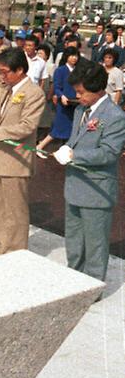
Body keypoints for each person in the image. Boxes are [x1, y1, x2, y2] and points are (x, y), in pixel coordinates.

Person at [54, 62, 125, 283]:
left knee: (95, 243)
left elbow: (109, 153)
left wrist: (75, 156)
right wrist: (66, 148)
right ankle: (73, 277)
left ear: (98, 89)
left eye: (81, 92)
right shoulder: (80, 111)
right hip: (75, 184)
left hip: (96, 189)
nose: (78, 96)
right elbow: (76, 140)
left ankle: (92, 284)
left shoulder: (114, 115)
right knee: (74, 239)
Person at [0, 47, 46, 257]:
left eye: (5, 71)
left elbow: (27, 126)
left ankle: (16, 253)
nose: (1, 76)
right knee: (1, 208)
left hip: (16, 161)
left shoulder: (34, 93)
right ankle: (2, 247)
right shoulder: (5, 89)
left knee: (16, 211)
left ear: (19, 70)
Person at [36, 47, 80, 155]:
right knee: (58, 128)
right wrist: (61, 96)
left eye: (76, 56)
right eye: (71, 55)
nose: (74, 58)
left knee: (72, 127)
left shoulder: (78, 71)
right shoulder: (60, 70)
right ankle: (40, 146)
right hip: (64, 103)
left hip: (75, 103)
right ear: (66, 57)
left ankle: (65, 152)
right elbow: (57, 86)